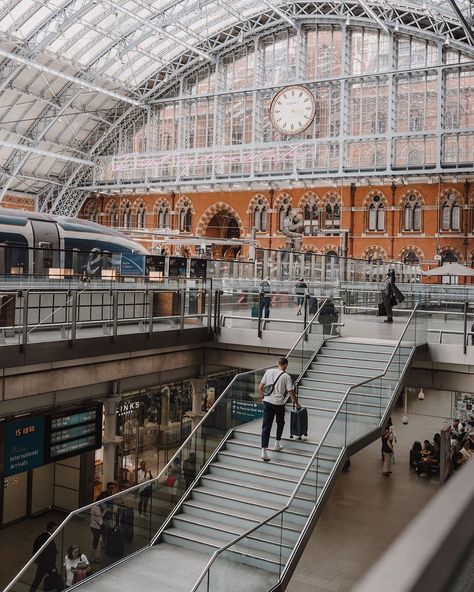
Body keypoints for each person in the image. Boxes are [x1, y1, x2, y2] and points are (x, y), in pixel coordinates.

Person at [258, 357, 300, 462]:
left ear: (278, 364)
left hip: (267, 402)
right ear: (285, 365)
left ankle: (263, 451)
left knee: (266, 426)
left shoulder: (268, 372)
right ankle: (276, 443)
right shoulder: (286, 376)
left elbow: (260, 387)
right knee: (280, 422)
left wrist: (262, 398)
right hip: (278, 403)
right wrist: (297, 403)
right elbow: (291, 392)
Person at [30, 522, 58, 592]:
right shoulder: (48, 540)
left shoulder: (41, 537)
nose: (56, 530)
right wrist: (52, 567)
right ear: (50, 529)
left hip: (41, 563)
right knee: (55, 577)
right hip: (48, 564)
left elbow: (36, 549)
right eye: (55, 528)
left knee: (38, 579)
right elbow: (49, 554)